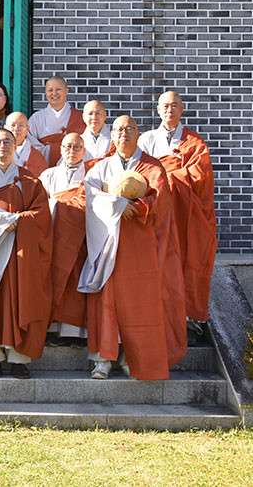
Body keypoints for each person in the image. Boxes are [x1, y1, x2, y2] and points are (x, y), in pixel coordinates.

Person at [80, 115, 187, 380]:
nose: (123, 134)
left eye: (129, 129)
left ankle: (133, 357)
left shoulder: (152, 167)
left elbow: (160, 200)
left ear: (138, 133)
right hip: (109, 243)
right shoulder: (101, 167)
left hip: (140, 246)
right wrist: (119, 205)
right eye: (118, 129)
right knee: (107, 300)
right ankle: (103, 359)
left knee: (140, 302)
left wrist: (136, 207)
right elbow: (91, 194)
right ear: (112, 135)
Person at [0, 129, 53, 379]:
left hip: (20, 250)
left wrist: (19, 222)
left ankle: (18, 358)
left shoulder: (31, 181)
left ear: (16, 147)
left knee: (21, 299)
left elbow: (41, 214)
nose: (2, 146)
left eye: (7, 141)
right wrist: (5, 221)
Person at [138, 91, 217, 341]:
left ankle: (187, 320)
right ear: (158, 110)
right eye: (165, 106)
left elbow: (200, 176)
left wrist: (169, 177)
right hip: (157, 212)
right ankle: (155, 316)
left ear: (182, 109)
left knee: (185, 260)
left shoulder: (194, 142)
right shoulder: (147, 139)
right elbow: (140, 172)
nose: (169, 110)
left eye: (174, 105)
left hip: (185, 215)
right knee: (156, 261)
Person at [38, 133, 90, 346]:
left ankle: (75, 333)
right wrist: (58, 204)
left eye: (77, 147)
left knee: (76, 282)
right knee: (52, 280)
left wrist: (60, 202)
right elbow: (40, 204)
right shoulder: (48, 175)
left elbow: (94, 203)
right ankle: (50, 328)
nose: (72, 151)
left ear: (84, 151)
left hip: (80, 238)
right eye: (68, 146)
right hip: (54, 236)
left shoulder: (92, 175)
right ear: (60, 149)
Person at [28, 76, 85, 166]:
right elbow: (29, 144)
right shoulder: (36, 118)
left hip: (73, 166)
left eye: (58, 89)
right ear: (46, 93)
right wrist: (50, 151)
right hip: (42, 167)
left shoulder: (80, 117)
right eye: (50, 90)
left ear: (66, 91)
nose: (54, 93)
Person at [6, 112, 48, 176]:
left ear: (27, 129)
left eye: (21, 125)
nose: (16, 129)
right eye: (13, 125)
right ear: (5, 128)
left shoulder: (37, 157)